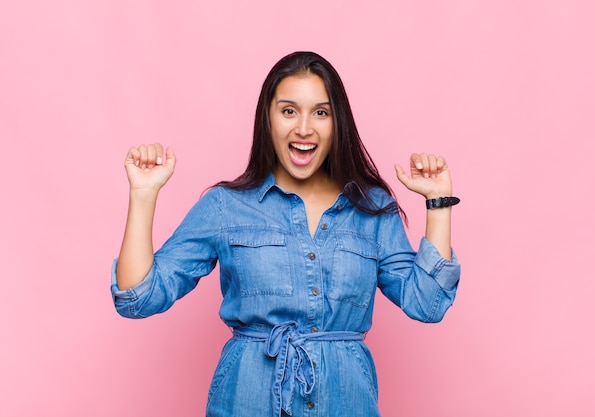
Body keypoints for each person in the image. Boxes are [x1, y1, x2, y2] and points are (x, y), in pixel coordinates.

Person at [111, 51, 461, 417]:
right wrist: (143, 194)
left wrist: (438, 203)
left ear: (337, 122)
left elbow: (428, 303)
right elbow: (139, 299)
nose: (304, 128)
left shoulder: (372, 209)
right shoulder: (225, 206)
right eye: (289, 110)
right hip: (245, 402)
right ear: (268, 118)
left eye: (321, 112)